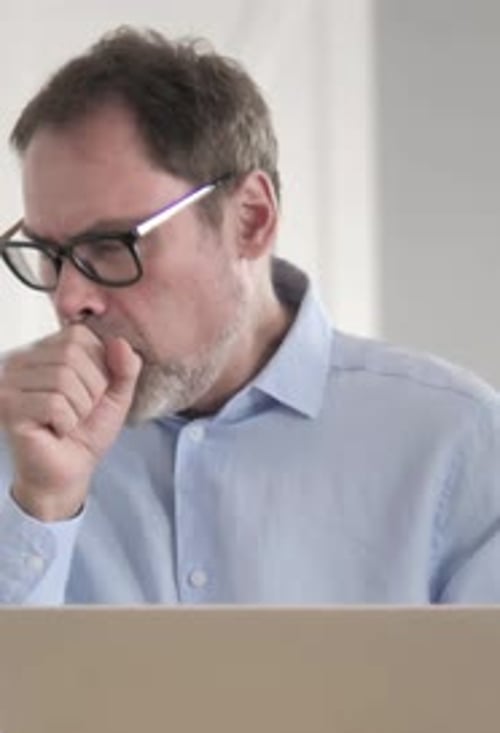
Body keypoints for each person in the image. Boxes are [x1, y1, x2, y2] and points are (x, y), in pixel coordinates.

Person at [0, 26, 498, 606]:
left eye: (112, 245)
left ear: (251, 220)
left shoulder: (458, 446)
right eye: (49, 255)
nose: (68, 298)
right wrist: (42, 508)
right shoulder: (13, 436)